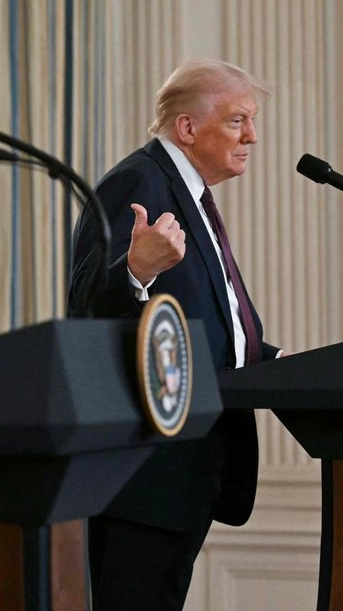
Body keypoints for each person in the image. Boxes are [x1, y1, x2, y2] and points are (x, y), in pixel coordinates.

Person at [69, 58, 281, 611]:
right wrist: (135, 269)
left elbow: (208, 323)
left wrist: (282, 361)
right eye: (238, 120)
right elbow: (86, 308)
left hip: (188, 462)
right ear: (188, 128)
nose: (252, 136)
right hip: (147, 472)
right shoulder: (137, 182)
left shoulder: (188, 195)